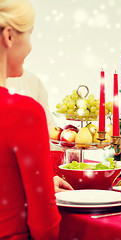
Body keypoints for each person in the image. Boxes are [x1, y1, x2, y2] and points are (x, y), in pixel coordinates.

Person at [0, 0, 64, 239]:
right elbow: (43, 223)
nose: (30, 45)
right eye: (30, 34)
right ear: (9, 36)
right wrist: (44, 189)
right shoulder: (24, 112)